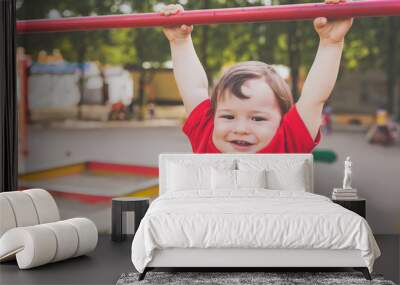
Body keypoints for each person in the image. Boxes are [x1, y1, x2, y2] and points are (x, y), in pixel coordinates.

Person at [161, 0, 353, 153]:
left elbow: (314, 98)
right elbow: (194, 88)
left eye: (258, 119)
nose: (241, 128)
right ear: (213, 116)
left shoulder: (288, 142)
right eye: (228, 116)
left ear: (282, 121)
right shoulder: (206, 134)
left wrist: (331, 43)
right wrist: (179, 41)